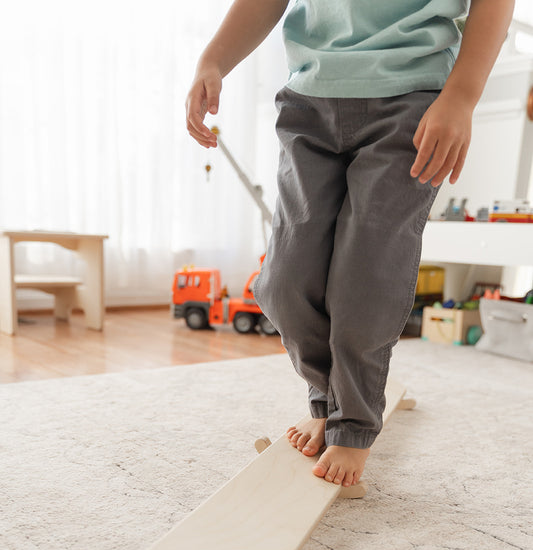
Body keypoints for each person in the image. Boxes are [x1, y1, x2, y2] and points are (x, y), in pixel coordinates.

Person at [186, 0, 515, 488]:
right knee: (281, 286)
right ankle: (327, 397)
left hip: (412, 100)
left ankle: (354, 425)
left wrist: (462, 96)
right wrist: (212, 59)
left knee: (365, 279)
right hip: (308, 102)